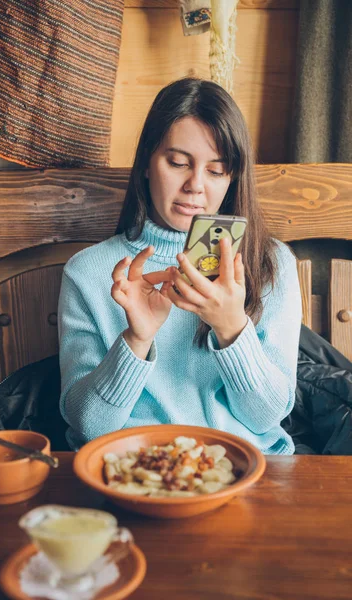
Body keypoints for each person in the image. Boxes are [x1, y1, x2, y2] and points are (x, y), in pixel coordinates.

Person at [58, 77, 302, 454]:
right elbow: (89, 426)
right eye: (178, 163)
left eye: (216, 170)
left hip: (247, 469)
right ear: (146, 165)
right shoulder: (88, 272)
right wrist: (136, 340)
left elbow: (266, 416)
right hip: (135, 471)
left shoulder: (270, 263)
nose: (195, 185)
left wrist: (231, 327)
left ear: (232, 178)